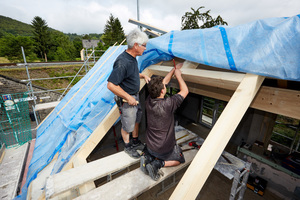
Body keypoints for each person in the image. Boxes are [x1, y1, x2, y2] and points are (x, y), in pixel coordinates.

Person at [107, 28, 151, 158]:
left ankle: (135, 141)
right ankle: (127, 147)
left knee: (137, 119)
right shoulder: (122, 62)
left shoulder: (132, 58)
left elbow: (130, 74)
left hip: (134, 96)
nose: (145, 49)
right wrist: (128, 97)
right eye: (144, 46)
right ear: (136, 45)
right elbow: (111, 85)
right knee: (127, 124)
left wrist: (142, 76)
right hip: (127, 99)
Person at [140, 63, 189, 180]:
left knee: (153, 151)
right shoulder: (168, 104)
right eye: (164, 87)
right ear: (162, 91)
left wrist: (173, 69)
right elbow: (185, 90)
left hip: (150, 145)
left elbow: (163, 83)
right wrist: (178, 75)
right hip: (163, 149)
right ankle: (158, 164)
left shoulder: (148, 100)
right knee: (179, 159)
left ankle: (148, 157)